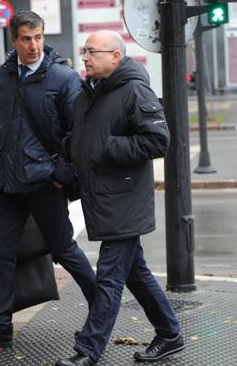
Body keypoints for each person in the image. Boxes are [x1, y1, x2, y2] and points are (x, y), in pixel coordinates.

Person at [0, 11, 96, 351]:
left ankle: (102, 306)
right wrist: (1, 164)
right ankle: (0, 326)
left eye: (38, 38)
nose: (33, 46)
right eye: (25, 39)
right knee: (1, 252)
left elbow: (79, 132)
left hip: (45, 183)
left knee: (63, 249)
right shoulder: (6, 75)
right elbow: (10, 127)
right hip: (9, 181)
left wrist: (63, 174)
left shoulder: (63, 77)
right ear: (14, 41)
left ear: (43, 37)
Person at [55, 30, 184, 366]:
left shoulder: (134, 89)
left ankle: (88, 350)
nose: (84, 57)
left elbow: (158, 140)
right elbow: (83, 138)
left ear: (114, 56)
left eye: (91, 52)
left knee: (110, 277)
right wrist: (71, 153)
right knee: (134, 273)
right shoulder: (92, 91)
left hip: (124, 200)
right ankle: (170, 333)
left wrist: (109, 148)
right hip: (103, 197)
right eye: (84, 51)